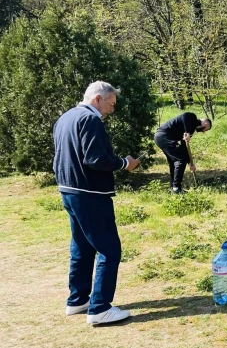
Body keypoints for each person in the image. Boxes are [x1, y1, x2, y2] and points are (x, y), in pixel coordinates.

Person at [53, 81, 140, 325]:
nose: (111, 109)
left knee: (82, 247)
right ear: (97, 99)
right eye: (110, 104)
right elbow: (95, 159)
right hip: (89, 192)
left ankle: (78, 300)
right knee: (109, 249)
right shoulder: (90, 120)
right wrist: (125, 163)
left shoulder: (66, 117)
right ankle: (100, 308)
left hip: (69, 190)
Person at [154, 112, 212, 193]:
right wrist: (187, 132)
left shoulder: (190, 130)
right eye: (206, 129)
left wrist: (190, 163)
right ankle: (176, 188)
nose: (203, 132)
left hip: (161, 138)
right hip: (163, 136)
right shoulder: (192, 117)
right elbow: (185, 116)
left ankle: (173, 186)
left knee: (174, 162)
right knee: (180, 160)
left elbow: (184, 147)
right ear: (205, 124)